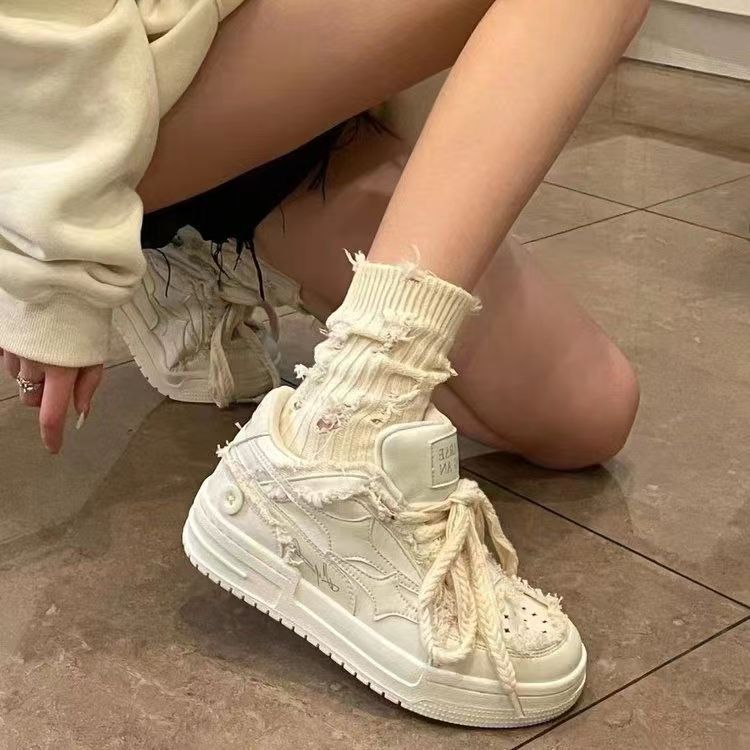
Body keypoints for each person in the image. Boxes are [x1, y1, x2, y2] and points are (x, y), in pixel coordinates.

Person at [0, 0, 649, 727]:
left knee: (589, 413)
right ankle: (341, 432)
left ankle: (195, 258)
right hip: (86, 102)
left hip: (274, 100)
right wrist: (52, 257)